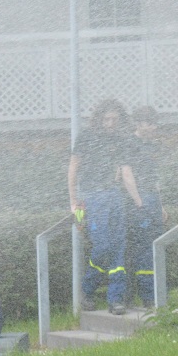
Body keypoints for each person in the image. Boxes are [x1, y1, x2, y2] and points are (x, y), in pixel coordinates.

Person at [69, 98, 141, 315]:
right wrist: (73, 202)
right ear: (99, 119)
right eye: (107, 119)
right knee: (103, 246)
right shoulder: (86, 137)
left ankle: (115, 299)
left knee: (119, 246)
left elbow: (126, 171)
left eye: (114, 119)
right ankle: (88, 290)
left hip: (114, 196)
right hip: (91, 197)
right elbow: (73, 169)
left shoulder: (121, 140)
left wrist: (138, 201)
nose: (110, 123)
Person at [127, 106, 165, 306]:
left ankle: (156, 293)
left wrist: (161, 205)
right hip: (139, 202)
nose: (154, 128)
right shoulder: (130, 143)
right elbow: (127, 173)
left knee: (155, 245)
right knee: (143, 247)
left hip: (152, 200)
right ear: (139, 123)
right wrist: (138, 201)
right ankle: (147, 296)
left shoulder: (151, 146)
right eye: (150, 123)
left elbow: (154, 178)